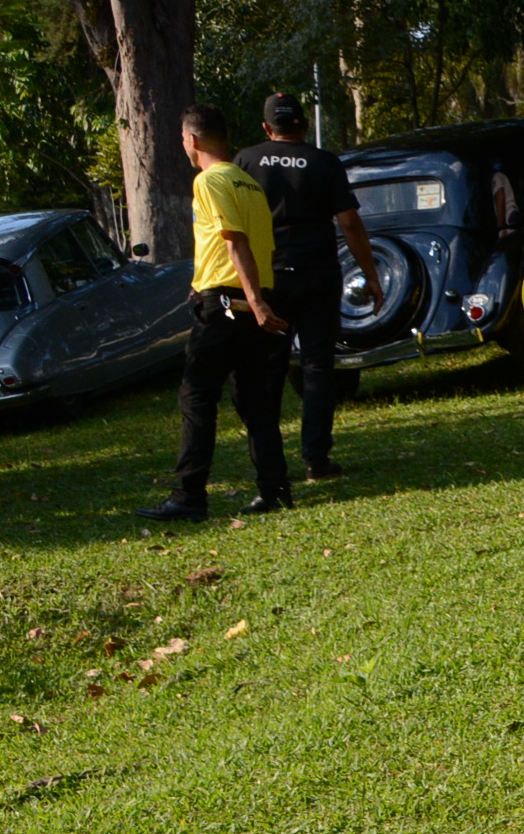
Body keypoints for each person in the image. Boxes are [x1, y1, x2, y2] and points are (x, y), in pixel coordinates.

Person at [140, 106, 291, 523]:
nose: (183, 146)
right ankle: (274, 489)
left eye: (183, 139)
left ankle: (188, 496)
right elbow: (260, 246)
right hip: (247, 296)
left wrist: (253, 300)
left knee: (196, 395)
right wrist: (251, 295)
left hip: (228, 303)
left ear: (194, 140)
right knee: (254, 401)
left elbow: (234, 240)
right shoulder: (249, 183)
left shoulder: (208, 180)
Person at [235, 92, 379, 480]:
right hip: (317, 273)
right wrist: (371, 273)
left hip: (270, 277)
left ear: (267, 128)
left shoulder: (246, 161)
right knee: (318, 367)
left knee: (269, 369)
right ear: (302, 125)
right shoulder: (324, 162)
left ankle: (268, 462)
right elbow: (349, 222)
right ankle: (316, 458)